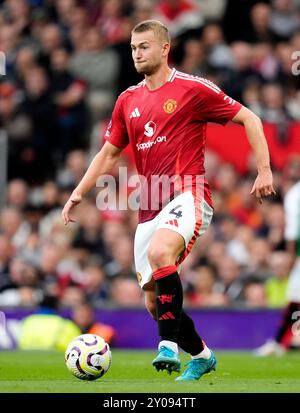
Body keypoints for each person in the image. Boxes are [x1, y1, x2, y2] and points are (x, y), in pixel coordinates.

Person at [62, 20, 275, 381]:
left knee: (162, 255)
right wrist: (78, 192)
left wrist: (264, 170)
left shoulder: (193, 89)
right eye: (132, 48)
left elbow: (250, 118)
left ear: (164, 49)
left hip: (188, 192)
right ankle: (203, 355)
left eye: (143, 46)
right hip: (150, 205)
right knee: (152, 302)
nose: (136, 54)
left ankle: (167, 346)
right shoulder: (127, 100)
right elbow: (108, 155)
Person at [254, 178, 300, 356]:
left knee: (294, 297)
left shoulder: (294, 194)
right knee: (295, 298)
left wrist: (291, 256)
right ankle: (282, 341)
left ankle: (281, 342)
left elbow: (291, 230)